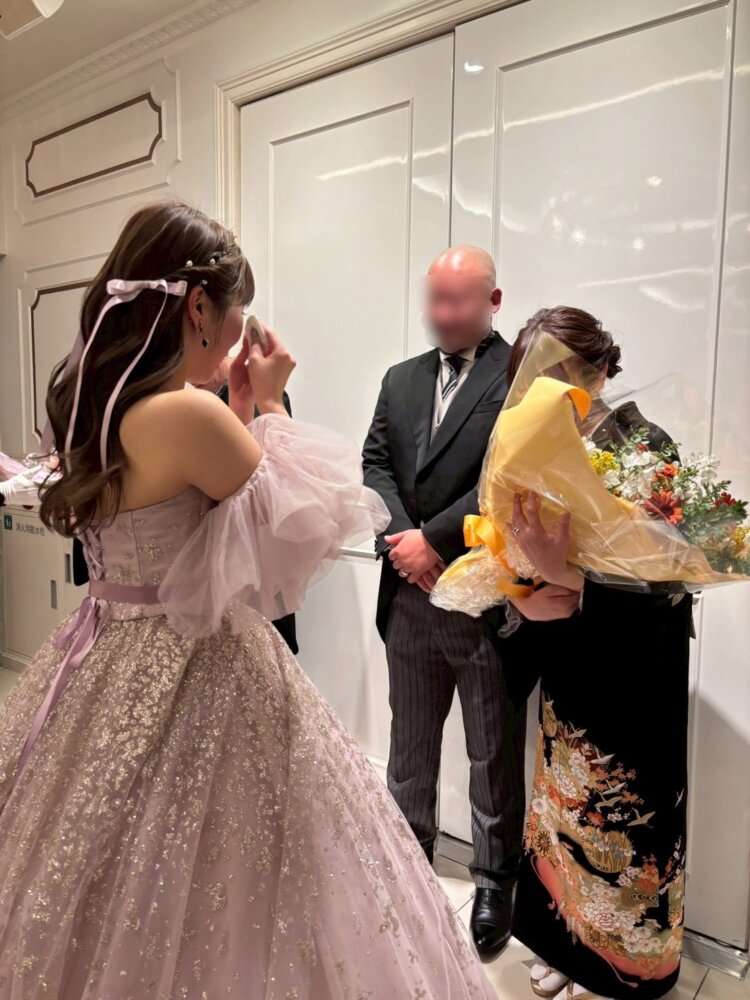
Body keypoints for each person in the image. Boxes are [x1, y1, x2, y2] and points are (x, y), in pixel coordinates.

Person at [0, 202, 497, 999]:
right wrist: (267, 402)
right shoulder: (184, 412)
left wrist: (235, 408)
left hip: (103, 652)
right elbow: (292, 540)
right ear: (198, 307)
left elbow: (204, 524)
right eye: (236, 312)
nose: (239, 332)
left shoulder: (99, 407)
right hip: (197, 662)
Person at [503, 307, 692, 1000]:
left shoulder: (646, 447)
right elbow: (506, 551)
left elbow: (674, 576)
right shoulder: (534, 452)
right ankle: (565, 947)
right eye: (532, 379)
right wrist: (522, 597)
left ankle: (624, 968)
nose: (546, 392)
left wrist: (573, 578)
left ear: (599, 372)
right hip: (570, 659)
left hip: (637, 667)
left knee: (627, 818)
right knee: (564, 810)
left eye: (560, 374)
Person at [362, 244, 528, 961]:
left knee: (492, 750)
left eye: (458, 300)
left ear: (493, 302)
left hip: (480, 597)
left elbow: (506, 477)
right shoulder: (400, 378)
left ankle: (495, 882)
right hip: (407, 594)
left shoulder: (518, 376)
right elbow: (374, 463)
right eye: (435, 298)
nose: (443, 313)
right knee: (409, 743)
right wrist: (404, 541)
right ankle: (409, 863)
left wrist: (433, 541)